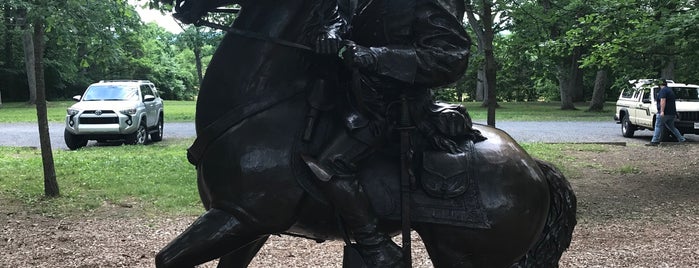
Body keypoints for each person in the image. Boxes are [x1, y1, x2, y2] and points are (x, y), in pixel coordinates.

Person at [304, 0, 480, 266]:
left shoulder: (421, 4)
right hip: (348, 101)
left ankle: (376, 246)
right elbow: (336, 20)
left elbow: (450, 57)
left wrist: (374, 56)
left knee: (333, 164)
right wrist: (329, 37)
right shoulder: (359, 3)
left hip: (393, 107)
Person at [647, 79, 687, 146]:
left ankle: (654, 141)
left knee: (658, 126)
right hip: (671, 113)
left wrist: (662, 111)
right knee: (672, 127)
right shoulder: (670, 90)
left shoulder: (663, 91)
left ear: (660, 85)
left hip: (664, 113)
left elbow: (663, 101)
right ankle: (682, 139)